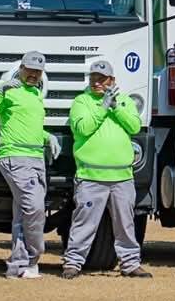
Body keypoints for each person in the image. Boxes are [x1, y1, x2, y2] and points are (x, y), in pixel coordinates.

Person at [61, 59, 151, 279]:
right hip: (91, 176)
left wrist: (115, 106)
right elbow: (82, 129)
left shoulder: (124, 101)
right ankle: (73, 263)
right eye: (93, 78)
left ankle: (130, 264)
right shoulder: (81, 101)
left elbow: (134, 125)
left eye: (102, 79)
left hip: (122, 176)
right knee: (84, 223)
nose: (97, 83)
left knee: (126, 224)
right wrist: (102, 108)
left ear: (112, 80)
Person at [0, 50, 61, 279]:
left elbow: (30, 126)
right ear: (21, 68)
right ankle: (34, 258)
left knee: (21, 215)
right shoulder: (9, 91)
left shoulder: (35, 94)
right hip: (14, 157)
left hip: (36, 158)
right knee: (34, 208)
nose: (34, 75)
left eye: (38, 71)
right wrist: (0, 91)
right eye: (30, 70)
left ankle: (19, 265)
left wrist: (48, 137)